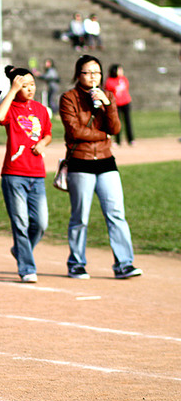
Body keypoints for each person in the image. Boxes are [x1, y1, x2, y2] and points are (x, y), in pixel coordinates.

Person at [58, 55, 142, 280]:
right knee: (80, 217)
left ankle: (124, 264)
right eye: (87, 73)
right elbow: (75, 131)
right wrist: (102, 135)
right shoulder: (69, 98)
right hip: (80, 162)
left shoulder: (108, 96)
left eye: (96, 72)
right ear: (78, 75)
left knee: (116, 214)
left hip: (106, 162)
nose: (93, 77)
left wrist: (108, 104)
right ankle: (76, 263)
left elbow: (115, 128)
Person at [0, 65, 52, 283]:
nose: (30, 89)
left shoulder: (40, 109)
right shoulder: (11, 108)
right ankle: (27, 268)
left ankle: (20, 250)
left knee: (41, 223)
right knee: (20, 223)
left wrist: (43, 143)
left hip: (37, 174)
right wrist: (12, 91)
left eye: (32, 84)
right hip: (14, 174)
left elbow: (48, 134)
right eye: (24, 85)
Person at [104, 64, 134, 146]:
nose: (121, 72)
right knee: (117, 122)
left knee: (127, 121)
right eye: (119, 70)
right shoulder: (109, 80)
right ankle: (118, 141)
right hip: (116, 104)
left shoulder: (123, 79)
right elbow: (109, 90)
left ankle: (130, 139)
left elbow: (126, 87)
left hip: (125, 102)